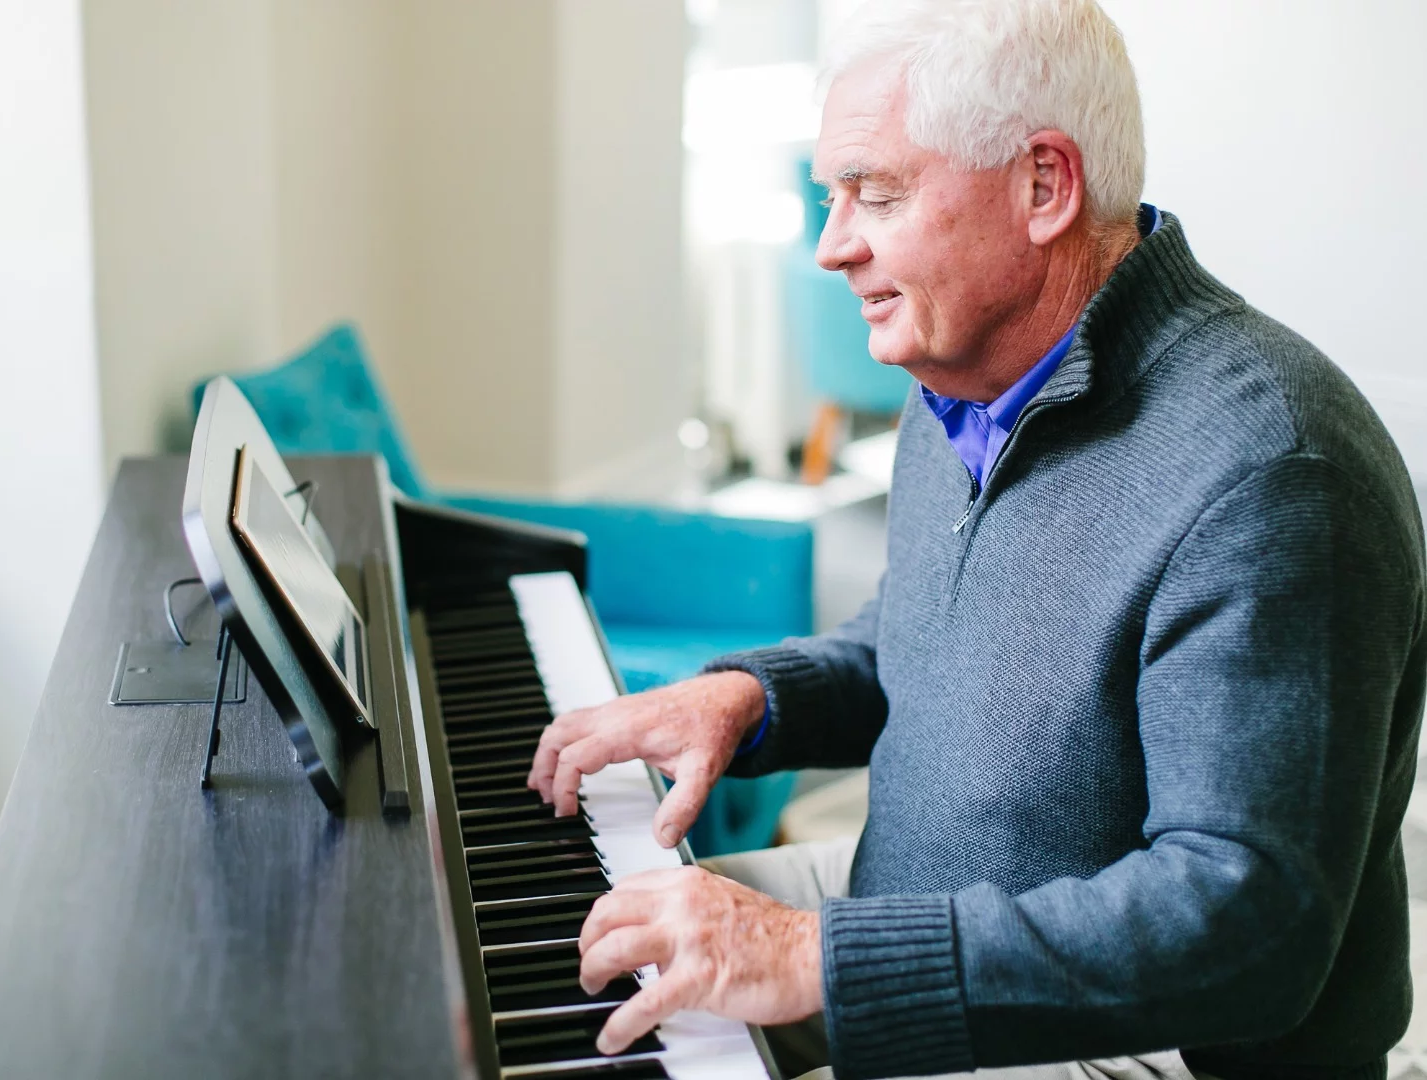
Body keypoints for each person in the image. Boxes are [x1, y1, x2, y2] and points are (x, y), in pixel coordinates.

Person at [525, 1, 1427, 1078]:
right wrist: (748, 699)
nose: (830, 246)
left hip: (1152, 1042)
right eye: (830, 196)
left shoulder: (1273, 471)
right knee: (589, 954)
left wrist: (821, 957)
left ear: (1045, 185)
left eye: (877, 193)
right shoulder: (965, 374)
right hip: (921, 907)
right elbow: (924, 638)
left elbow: (1246, 927)